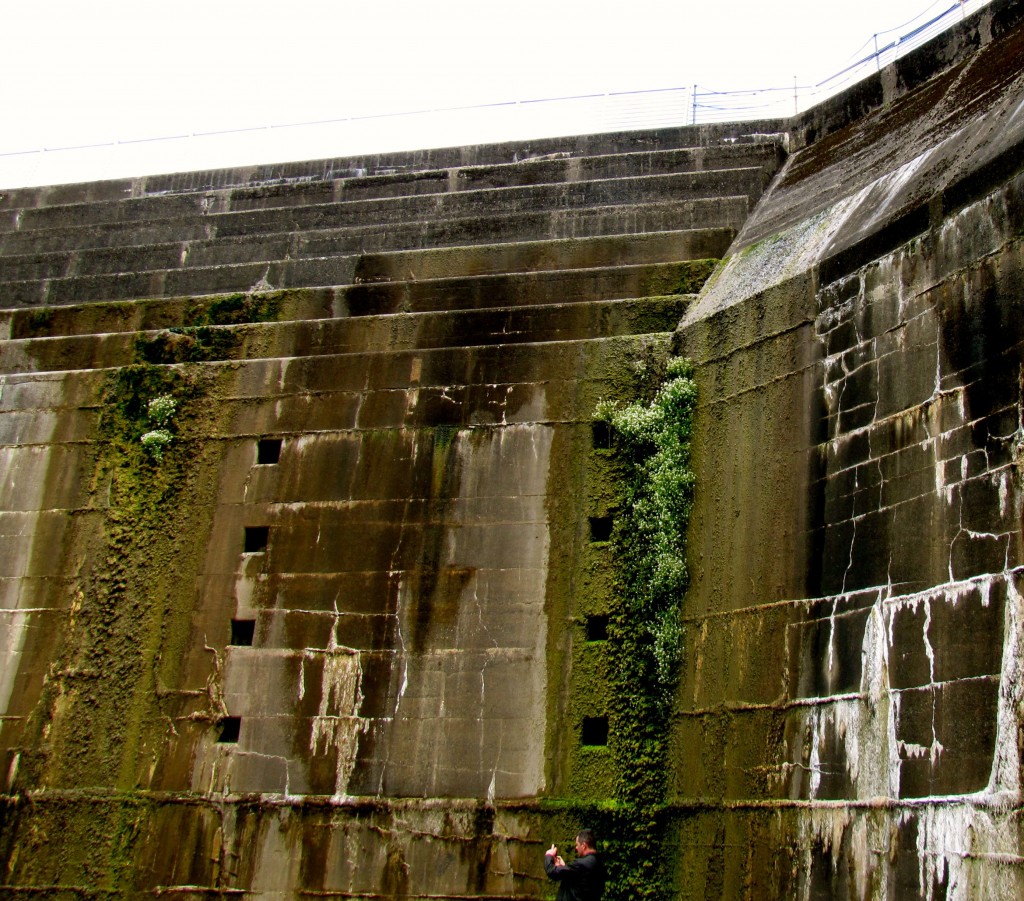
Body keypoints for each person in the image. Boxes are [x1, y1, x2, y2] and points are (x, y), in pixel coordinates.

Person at [544, 829, 605, 900]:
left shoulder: (581, 864)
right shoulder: (598, 862)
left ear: (583, 845)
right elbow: (578, 883)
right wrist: (563, 867)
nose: (576, 848)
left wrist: (549, 855)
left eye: (577, 845)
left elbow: (552, 871)